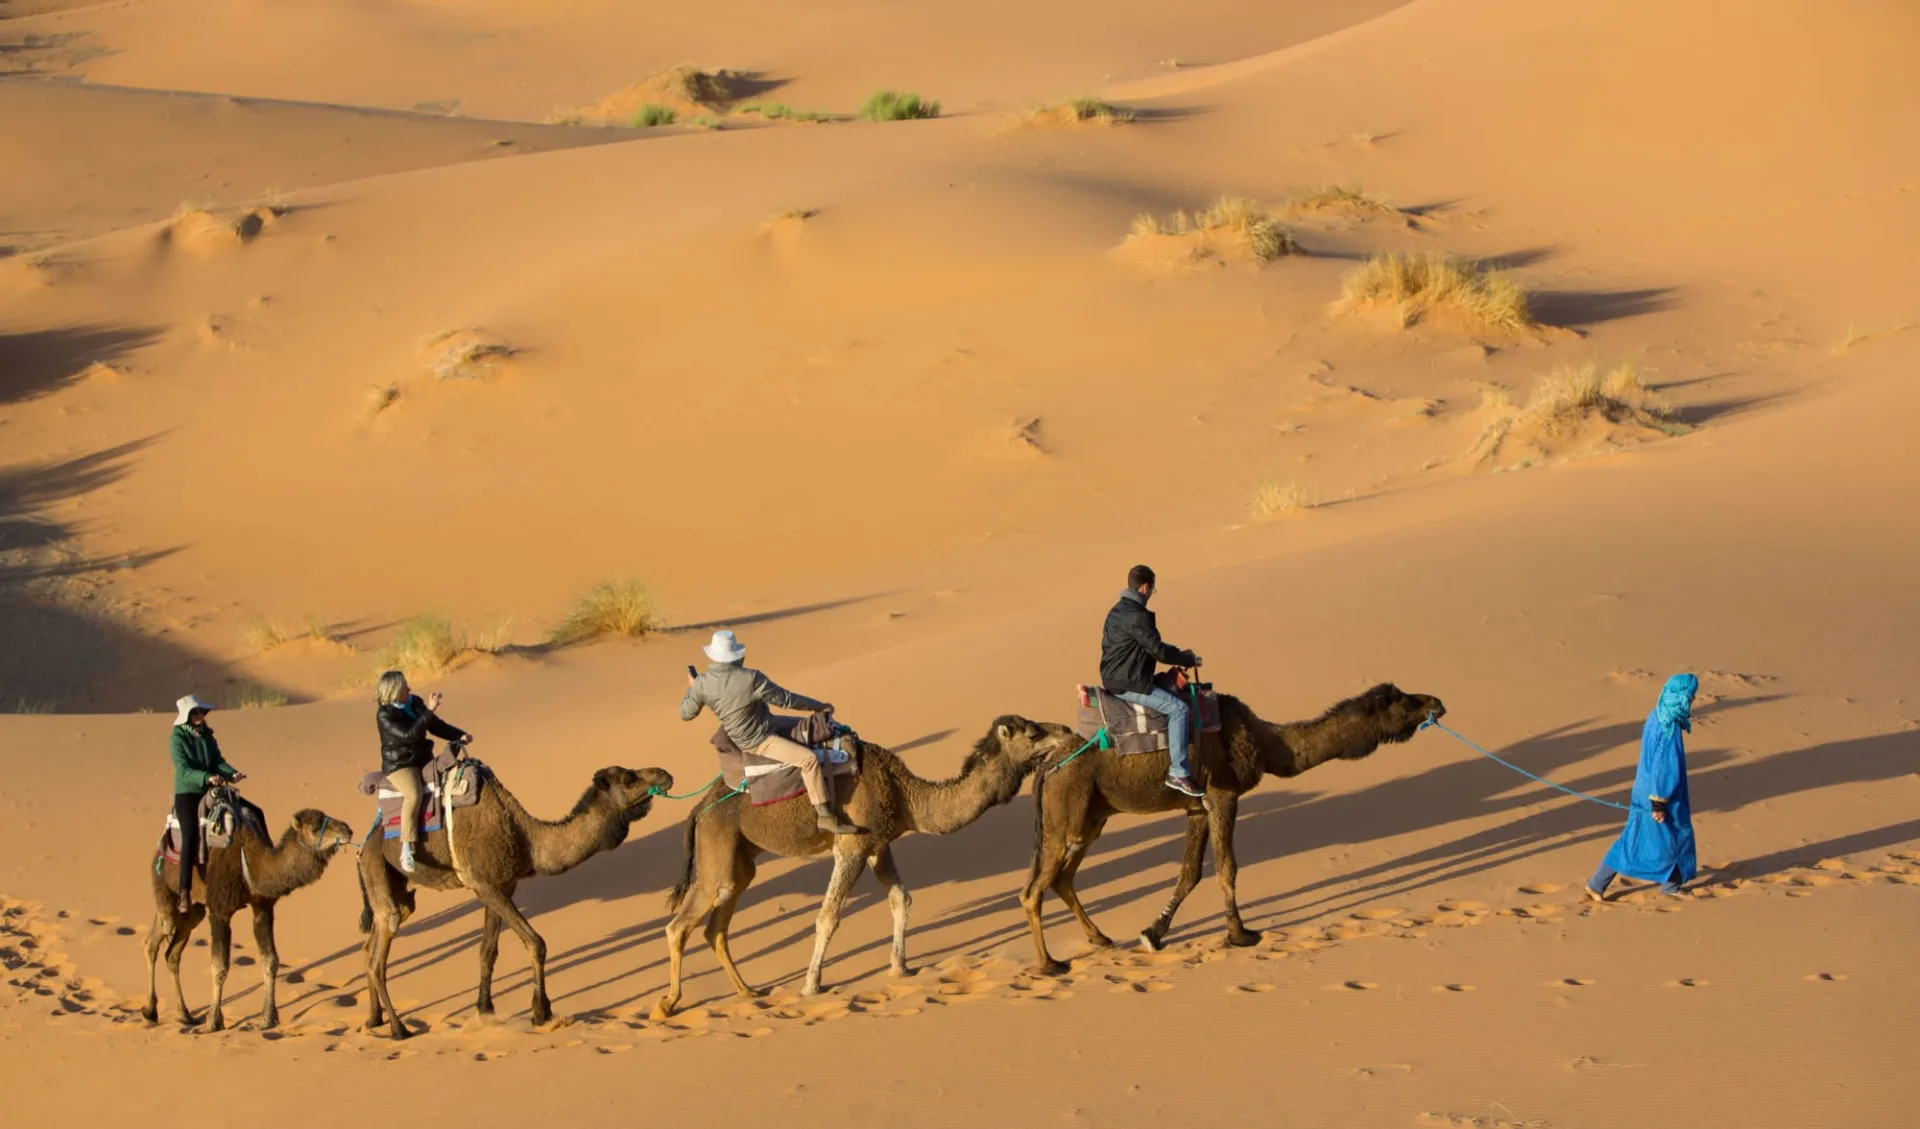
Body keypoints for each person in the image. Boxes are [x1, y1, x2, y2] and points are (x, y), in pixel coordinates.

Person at [681, 630, 860, 835]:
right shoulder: (752, 678)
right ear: (737, 656)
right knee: (809, 760)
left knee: (809, 727)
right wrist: (819, 706)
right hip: (759, 740)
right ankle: (825, 816)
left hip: (760, 725)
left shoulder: (702, 683)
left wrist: (692, 688)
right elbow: (786, 699)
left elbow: (686, 714)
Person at [1587, 673, 1700, 901]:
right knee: (1678, 836)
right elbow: (1664, 767)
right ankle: (1671, 886)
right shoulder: (1670, 727)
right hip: (1661, 793)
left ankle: (1597, 884)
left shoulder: (1655, 714)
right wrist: (1658, 802)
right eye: (1690, 696)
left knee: (1632, 837)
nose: (1691, 701)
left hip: (1642, 788)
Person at [1100, 565, 1205, 798]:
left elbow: (1151, 647)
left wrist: (1180, 654)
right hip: (1128, 681)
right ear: (1145, 587)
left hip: (1120, 675)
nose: (1150, 594)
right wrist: (1187, 658)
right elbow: (1157, 650)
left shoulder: (1117, 610)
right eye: (1152, 589)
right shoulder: (1137, 615)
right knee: (1178, 709)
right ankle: (1178, 772)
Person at [375, 671, 472, 875]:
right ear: (394, 692)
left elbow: (434, 725)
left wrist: (459, 734)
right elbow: (409, 735)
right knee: (414, 794)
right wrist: (429, 710)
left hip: (422, 758)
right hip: (400, 765)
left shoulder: (414, 702)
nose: (409, 689)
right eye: (404, 687)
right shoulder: (385, 715)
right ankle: (406, 848)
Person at [168, 694, 245, 913]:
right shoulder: (177, 738)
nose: (200, 715)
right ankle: (184, 891)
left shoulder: (207, 736)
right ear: (186, 716)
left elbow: (217, 762)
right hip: (188, 793)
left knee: (249, 814)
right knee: (190, 835)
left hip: (213, 790)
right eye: (195, 712)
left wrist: (232, 774)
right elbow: (183, 769)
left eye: (201, 711)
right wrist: (206, 778)